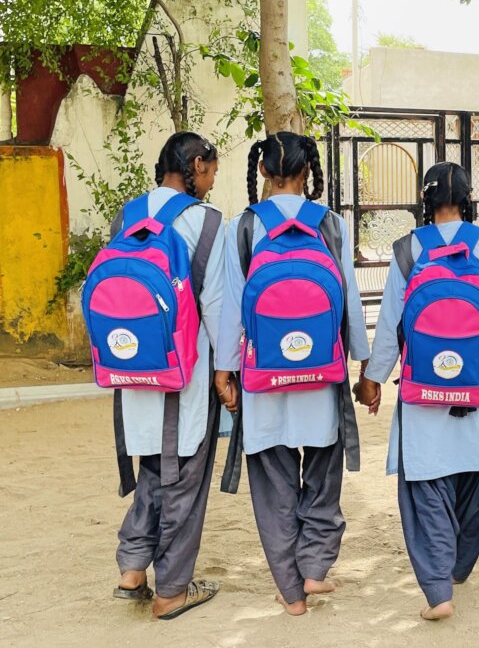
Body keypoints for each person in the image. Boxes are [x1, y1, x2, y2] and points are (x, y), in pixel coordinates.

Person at [355, 162, 479, 621]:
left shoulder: (408, 249)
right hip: (477, 389)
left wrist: (371, 381)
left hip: (422, 393)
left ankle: (438, 591)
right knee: (476, 476)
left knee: (426, 484)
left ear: (426, 201)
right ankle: (457, 568)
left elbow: (391, 327)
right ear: (468, 199)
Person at [215, 132, 370, 616]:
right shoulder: (331, 225)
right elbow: (348, 300)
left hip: (263, 379)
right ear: (308, 172)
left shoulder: (243, 227)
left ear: (263, 171)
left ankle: (291, 591)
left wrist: (225, 371)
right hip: (322, 376)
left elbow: (231, 308)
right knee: (323, 476)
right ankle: (315, 568)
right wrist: (364, 364)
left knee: (273, 488)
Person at [111, 132, 226, 619]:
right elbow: (216, 306)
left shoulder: (128, 214)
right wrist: (225, 371)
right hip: (185, 373)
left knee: (154, 468)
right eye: (211, 172)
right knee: (185, 478)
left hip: (131, 365)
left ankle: (132, 567)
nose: (211, 182)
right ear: (196, 165)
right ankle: (173, 591)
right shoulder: (207, 222)